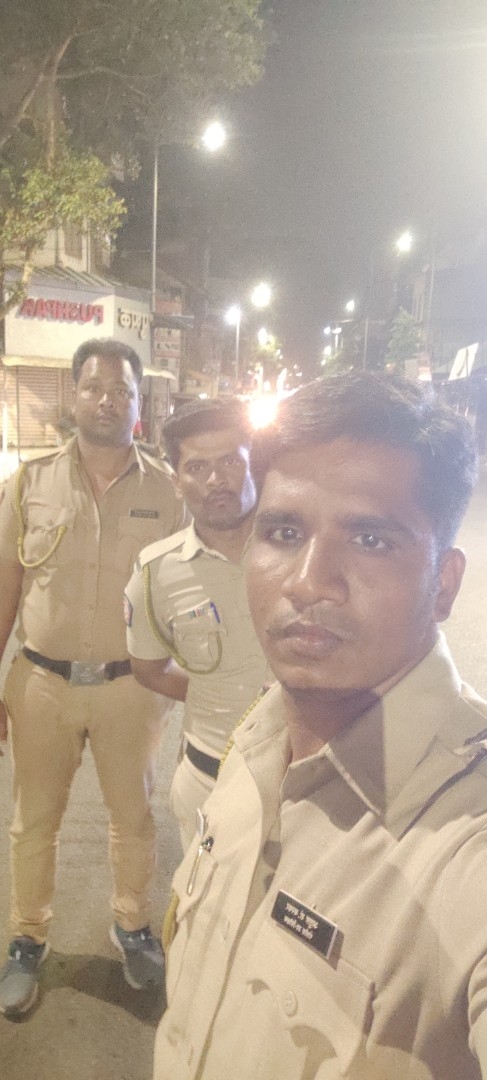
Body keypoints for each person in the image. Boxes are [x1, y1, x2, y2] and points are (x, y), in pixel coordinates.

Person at [153, 370, 487, 1080]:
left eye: (369, 539)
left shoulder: (465, 836)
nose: (308, 581)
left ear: (444, 585)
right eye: (282, 532)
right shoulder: (262, 732)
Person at [0, 338, 186, 1017]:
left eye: (122, 390)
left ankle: (132, 926)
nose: (108, 399)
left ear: (138, 404)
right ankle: (27, 938)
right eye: (94, 387)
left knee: (133, 816)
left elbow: (191, 590)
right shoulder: (29, 483)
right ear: (73, 397)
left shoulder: (169, 491)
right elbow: (6, 583)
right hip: (40, 685)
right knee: (33, 822)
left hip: (130, 688)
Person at [125, 398, 270, 851]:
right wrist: (218, 691)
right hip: (210, 777)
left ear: (254, 463)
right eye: (197, 467)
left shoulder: (304, 551)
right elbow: (148, 670)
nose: (215, 480)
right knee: (204, 896)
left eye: (230, 461)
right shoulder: (156, 573)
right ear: (176, 480)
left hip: (307, 783)